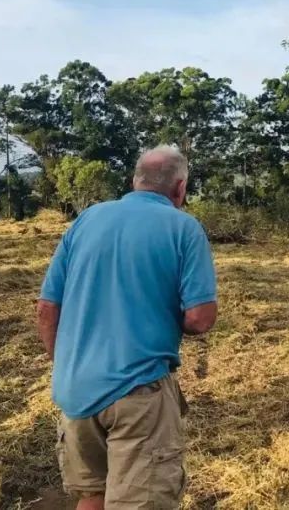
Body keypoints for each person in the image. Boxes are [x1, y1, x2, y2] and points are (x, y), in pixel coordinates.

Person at [37, 146, 218, 509]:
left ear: (135, 181)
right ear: (180, 187)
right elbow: (200, 318)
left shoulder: (87, 219)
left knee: (92, 495)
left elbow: (46, 309)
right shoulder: (183, 227)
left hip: (76, 389)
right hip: (139, 390)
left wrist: (65, 366)